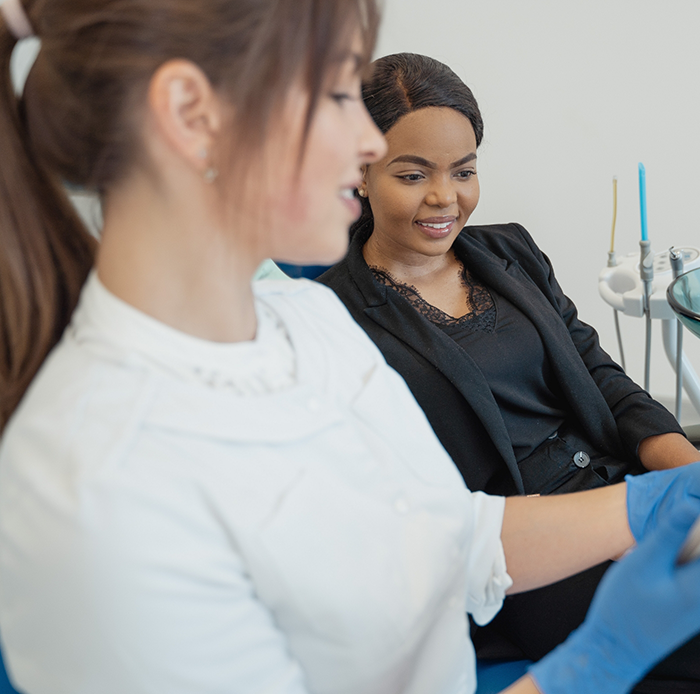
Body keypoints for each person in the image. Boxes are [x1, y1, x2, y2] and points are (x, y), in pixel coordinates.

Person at [0, 3, 699, 694]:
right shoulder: (96, 495)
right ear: (191, 113)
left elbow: (446, 537)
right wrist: (594, 666)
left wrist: (660, 503)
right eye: (337, 94)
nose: (368, 146)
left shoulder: (306, 325)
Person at [318, 53, 700, 689]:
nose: (446, 197)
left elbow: (597, 370)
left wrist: (680, 468)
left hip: (623, 480)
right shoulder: (332, 317)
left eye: (463, 171)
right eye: (413, 175)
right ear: (360, 172)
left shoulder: (509, 251)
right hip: (532, 551)